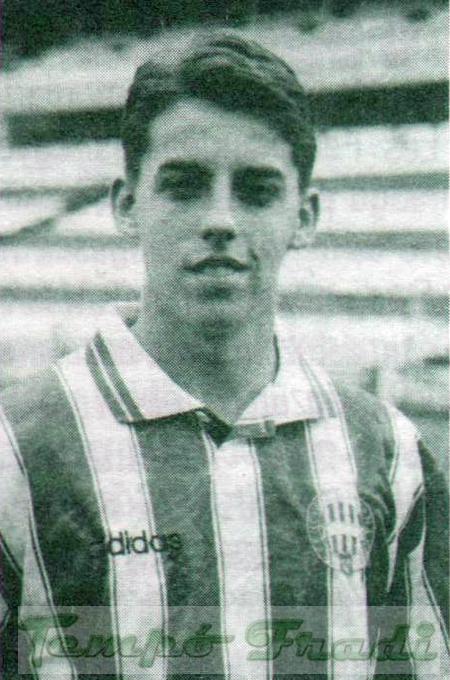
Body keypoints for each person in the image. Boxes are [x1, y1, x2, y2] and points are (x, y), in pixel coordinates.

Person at [0, 32, 448, 680]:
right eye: (184, 186)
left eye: (257, 190)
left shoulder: (387, 452)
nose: (220, 220)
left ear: (305, 216)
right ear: (127, 205)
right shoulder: (16, 448)